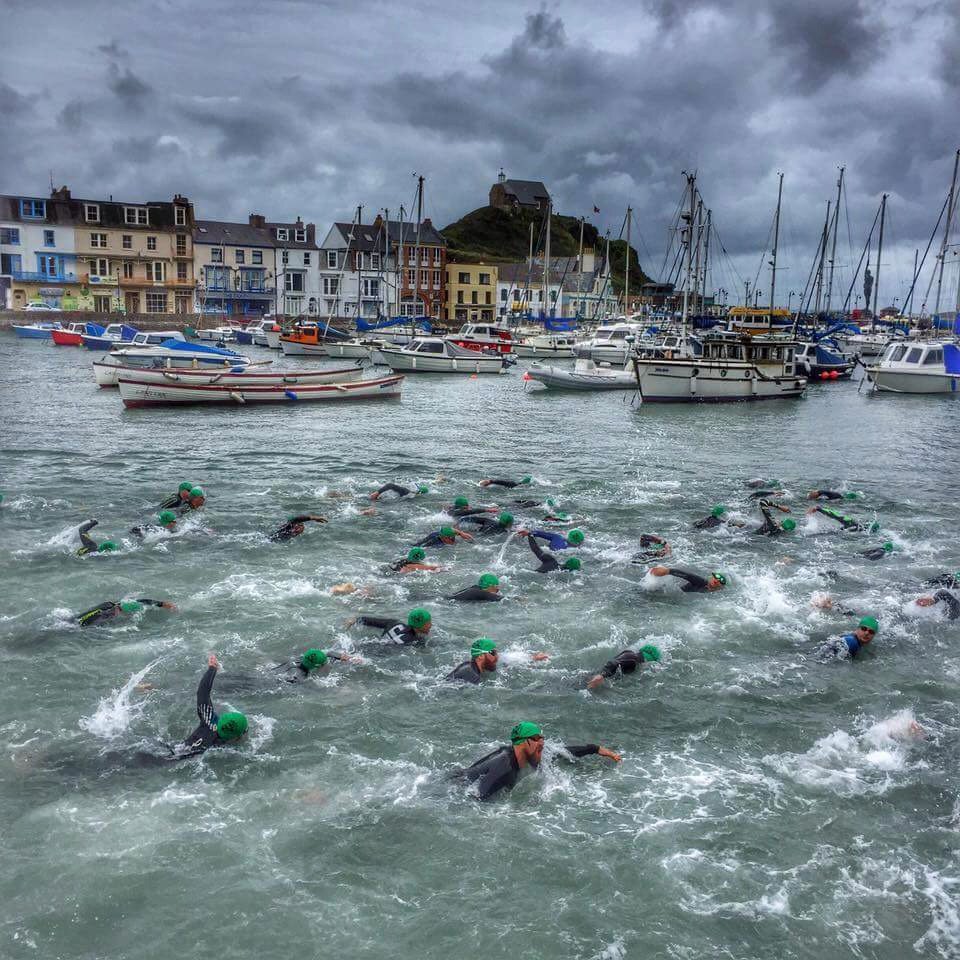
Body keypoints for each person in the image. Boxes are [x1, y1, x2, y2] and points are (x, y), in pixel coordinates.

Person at [453, 722, 621, 801]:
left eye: (542, 738)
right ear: (524, 742)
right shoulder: (504, 767)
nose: (542, 742)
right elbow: (476, 798)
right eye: (537, 739)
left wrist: (598, 749)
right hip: (456, 785)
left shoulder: (537, 754)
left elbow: (567, 752)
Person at [170, 655, 248, 759]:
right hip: (173, 761)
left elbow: (202, 693)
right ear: (237, 738)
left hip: (174, 750)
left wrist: (212, 669)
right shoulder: (220, 749)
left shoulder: (209, 721)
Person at [445, 638, 548, 684]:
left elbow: (507, 661)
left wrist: (533, 658)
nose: (497, 657)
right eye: (493, 653)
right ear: (480, 656)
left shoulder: (469, 665)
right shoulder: (472, 675)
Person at [587, 644, 661, 689]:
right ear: (648, 659)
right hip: (595, 679)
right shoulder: (633, 662)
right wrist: (602, 675)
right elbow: (613, 663)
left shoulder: (629, 653)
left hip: (593, 675)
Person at [349, 607, 432, 645]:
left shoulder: (395, 623)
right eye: (428, 623)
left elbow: (374, 622)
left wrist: (357, 619)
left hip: (370, 645)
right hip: (379, 653)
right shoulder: (415, 640)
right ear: (421, 626)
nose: (431, 625)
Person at [75, 597, 176, 628]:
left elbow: (142, 601)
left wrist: (162, 604)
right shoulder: (108, 613)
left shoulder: (110, 605)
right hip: (76, 626)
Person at [275, 647, 357, 683]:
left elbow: (327, 653)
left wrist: (341, 656)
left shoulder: (300, 659)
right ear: (317, 666)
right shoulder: (301, 678)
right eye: (325, 662)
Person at [648, 566, 727, 592]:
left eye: (719, 581)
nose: (716, 581)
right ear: (711, 578)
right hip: (668, 592)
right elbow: (687, 575)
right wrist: (666, 571)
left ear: (720, 586)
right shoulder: (701, 582)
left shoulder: (716, 591)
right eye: (715, 579)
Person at [806, 505, 873, 532]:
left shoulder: (855, 526)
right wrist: (819, 509)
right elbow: (834, 515)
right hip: (847, 526)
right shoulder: (850, 521)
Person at [517, 527, 585, 551]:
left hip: (546, 552)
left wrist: (529, 532)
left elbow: (542, 534)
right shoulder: (577, 549)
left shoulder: (558, 537)